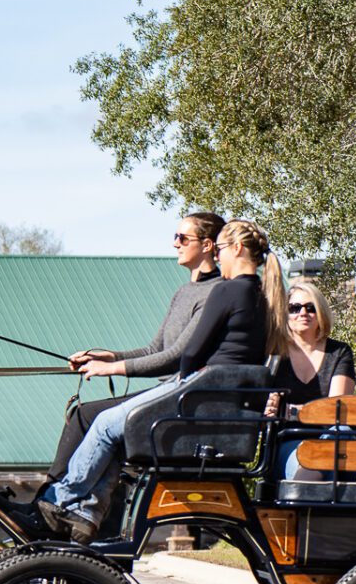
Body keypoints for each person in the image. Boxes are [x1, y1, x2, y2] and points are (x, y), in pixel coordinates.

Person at [22, 219, 288, 543]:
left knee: (106, 424)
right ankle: (85, 515)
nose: (219, 258)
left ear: (236, 248)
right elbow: (168, 349)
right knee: (114, 429)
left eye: (220, 250)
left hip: (201, 394)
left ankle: (62, 501)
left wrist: (172, 381)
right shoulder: (261, 294)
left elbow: (189, 353)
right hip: (217, 398)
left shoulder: (227, 289)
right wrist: (112, 358)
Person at [43, 212, 225, 491]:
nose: (175, 244)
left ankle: (49, 501)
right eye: (175, 237)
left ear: (208, 245)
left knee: (86, 416)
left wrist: (112, 369)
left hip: (181, 399)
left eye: (182, 238)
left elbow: (175, 357)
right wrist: (108, 357)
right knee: (85, 415)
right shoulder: (183, 292)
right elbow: (154, 349)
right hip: (167, 394)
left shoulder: (215, 293)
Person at [264, 279, 356, 478]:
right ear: (285, 314)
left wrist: (289, 411)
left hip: (331, 439)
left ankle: (309, 492)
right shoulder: (273, 354)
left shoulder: (339, 353)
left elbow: (335, 411)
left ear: (320, 312)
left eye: (310, 307)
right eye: (295, 308)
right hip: (289, 441)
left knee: (341, 432)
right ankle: (312, 487)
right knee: (313, 463)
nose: (303, 313)